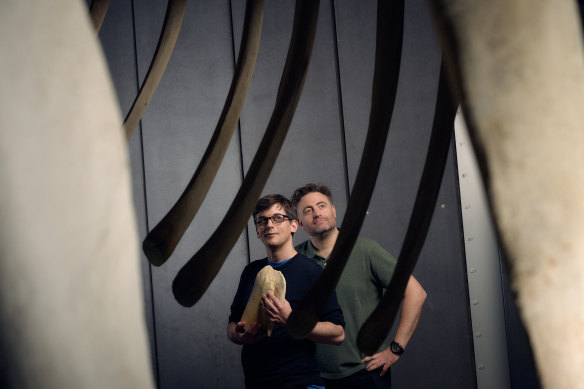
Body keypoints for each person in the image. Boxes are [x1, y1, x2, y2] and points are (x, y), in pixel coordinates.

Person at [291, 184, 427, 389]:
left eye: (321, 206)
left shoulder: (366, 250)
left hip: (365, 372)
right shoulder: (295, 260)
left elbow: (415, 292)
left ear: (333, 211)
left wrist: (395, 349)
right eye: (308, 211)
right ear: (300, 223)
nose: (317, 213)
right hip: (314, 377)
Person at [227, 194, 346, 389]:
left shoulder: (313, 272)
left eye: (277, 218)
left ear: (294, 226)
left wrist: (292, 321)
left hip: (300, 382)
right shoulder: (251, 272)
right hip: (256, 382)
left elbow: (338, 334)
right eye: (262, 221)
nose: (269, 225)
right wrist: (238, 335)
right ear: (257, 231)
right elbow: (231, 325)